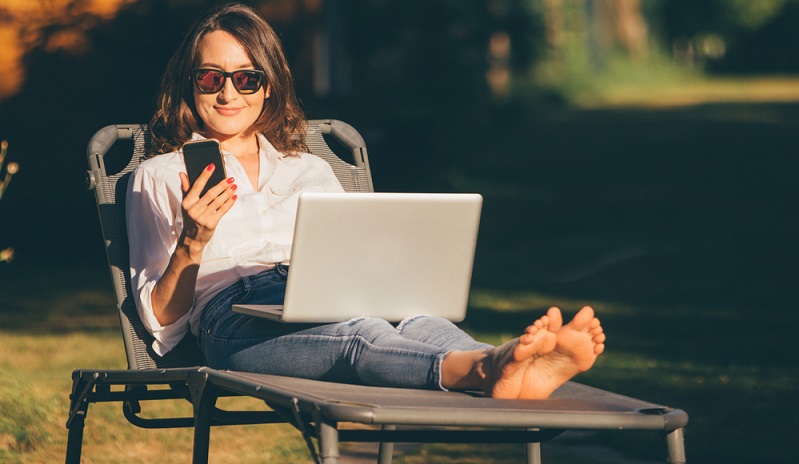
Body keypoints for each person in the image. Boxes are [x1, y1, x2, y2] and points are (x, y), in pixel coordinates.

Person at [126, 2, 605, 399]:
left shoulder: (308, 168)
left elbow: (358, 262)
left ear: (269, 85)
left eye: (246, 79)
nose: (228, 93)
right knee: (360, 335)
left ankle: (509, 367)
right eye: (211, 78)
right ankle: (486, 368)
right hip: (234, 320)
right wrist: (192, 242)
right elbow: (162, 324)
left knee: (415, 315)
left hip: (323, 296)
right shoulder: (161, 175)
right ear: (190, 84)